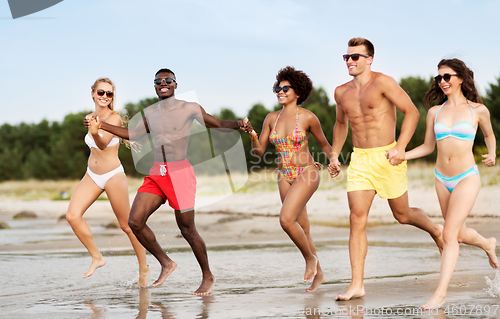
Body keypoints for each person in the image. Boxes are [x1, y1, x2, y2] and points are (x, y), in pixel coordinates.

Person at [85, 68, 245, 295]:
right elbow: (134, 134)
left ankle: (208, 276)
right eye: (159, 81)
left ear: (175, 84)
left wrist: (240, 124)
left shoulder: (189, 108)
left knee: (187, 229)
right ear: (155, 86)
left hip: (180, 173)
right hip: (157, 173)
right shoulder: (150, 112)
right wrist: (101, 125)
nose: (163, 83)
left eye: (168, 80)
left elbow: (216, 123)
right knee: (135, 222)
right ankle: (166, 262)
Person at [328, 37, 444, 301]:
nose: (350, 61)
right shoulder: (340, 92)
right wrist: (334, 154)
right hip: (360, 160)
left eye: (355, 57)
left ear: (369, 59)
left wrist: (401, 147)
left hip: (388, 156)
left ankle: (436, 230)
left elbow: (411, 112)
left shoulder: (383, 82)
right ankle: (357, 284)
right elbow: (341, 124)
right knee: (356, 219)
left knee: (402, 215)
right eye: (346, 57)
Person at [404, 58, 498, 309]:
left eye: (447, 76)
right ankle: (487, 244)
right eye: (439, 78)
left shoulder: (478, 110)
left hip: (467, 177)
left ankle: (440, 294)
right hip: (441, 178)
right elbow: (427, 146)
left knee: (448, 234)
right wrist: (402, 154)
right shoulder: (435, 112)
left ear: (460, 77)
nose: (442, 82)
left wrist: (493, 153)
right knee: (458, 233)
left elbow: (489, 134)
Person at [242, 66, 333, 292]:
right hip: (284, 175)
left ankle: (310, 259)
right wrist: (252, 134)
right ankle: (319, 274)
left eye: (285, 88)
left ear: (297, 92)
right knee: (302, 226)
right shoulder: (271, 118)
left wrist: (334, 160)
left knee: (285, 220)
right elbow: (258, 152)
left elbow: (324, 144)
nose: (279, 91)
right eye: (277, 88)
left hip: (307, 171)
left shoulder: (308, 117)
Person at [66, 77, 150, 287]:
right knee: (72, 216)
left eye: (109, 93)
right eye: (101, 92)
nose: (105, 96)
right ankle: (97, 257)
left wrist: (94, 132)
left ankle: (144, 268)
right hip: (91, 175)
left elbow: (102, 145)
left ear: (113, 97)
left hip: (113, 174)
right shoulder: (90, 117)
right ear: (93, 94)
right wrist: (92, 127)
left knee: (128, 226)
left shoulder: (115, 119)